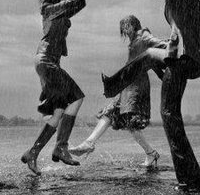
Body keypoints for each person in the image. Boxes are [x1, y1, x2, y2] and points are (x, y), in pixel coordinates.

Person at [102, 0, 200, 191]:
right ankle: (192, 179)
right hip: (197, 61)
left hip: (182, 59)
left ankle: (189, 181)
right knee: (152, 62)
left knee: (168, 114)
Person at [69, 15, 167, 168]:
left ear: (133, 25)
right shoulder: (134, 41)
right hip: (127, 85)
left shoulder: (143, 35)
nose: (125, 31)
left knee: (131, 122)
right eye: (123, 29)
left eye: (126, 27)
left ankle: (151, 153)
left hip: (137, 86)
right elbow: (150, 61)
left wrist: (169, 44)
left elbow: (159, 45)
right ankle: (89, 143)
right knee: (110, 113)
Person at [21, 0, 86, 175]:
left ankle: (33, 152)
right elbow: (73, 0)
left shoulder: (60, 12)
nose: (69, 1)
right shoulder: (50, 9)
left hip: (48, 63)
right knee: (76, 98)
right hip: (47, 62)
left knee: (58, 111)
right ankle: (61, 146)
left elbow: (79, 3)